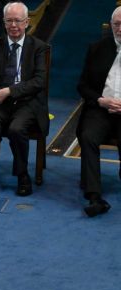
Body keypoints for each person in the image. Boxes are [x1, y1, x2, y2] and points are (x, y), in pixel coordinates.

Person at [0, 1, 49, 197]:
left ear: (27, 22)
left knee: (17, 129)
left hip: (26, 101)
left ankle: (23, 175)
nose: (13, 25)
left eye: (18, 21)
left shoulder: (39, 47)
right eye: (9, 21)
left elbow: (39, 81)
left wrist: (10, 91)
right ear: (4, 22)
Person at [76, 6, 121, 217]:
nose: (120, 28)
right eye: (117, 24)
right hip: (101, 108)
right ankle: (94, 195)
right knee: (88, 136)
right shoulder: (97, 48)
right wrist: (101, 100)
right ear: (111, 26)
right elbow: (82, 86)